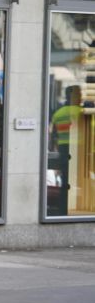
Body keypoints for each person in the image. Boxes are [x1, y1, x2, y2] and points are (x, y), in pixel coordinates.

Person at [50, 85, 83, 216]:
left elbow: (53, 135)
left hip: (63, 149)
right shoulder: (81, 112)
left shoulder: (59, 113)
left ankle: (63, 207)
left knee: (65, 181)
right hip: (80, 150)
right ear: (76, 96)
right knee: (81, 182)